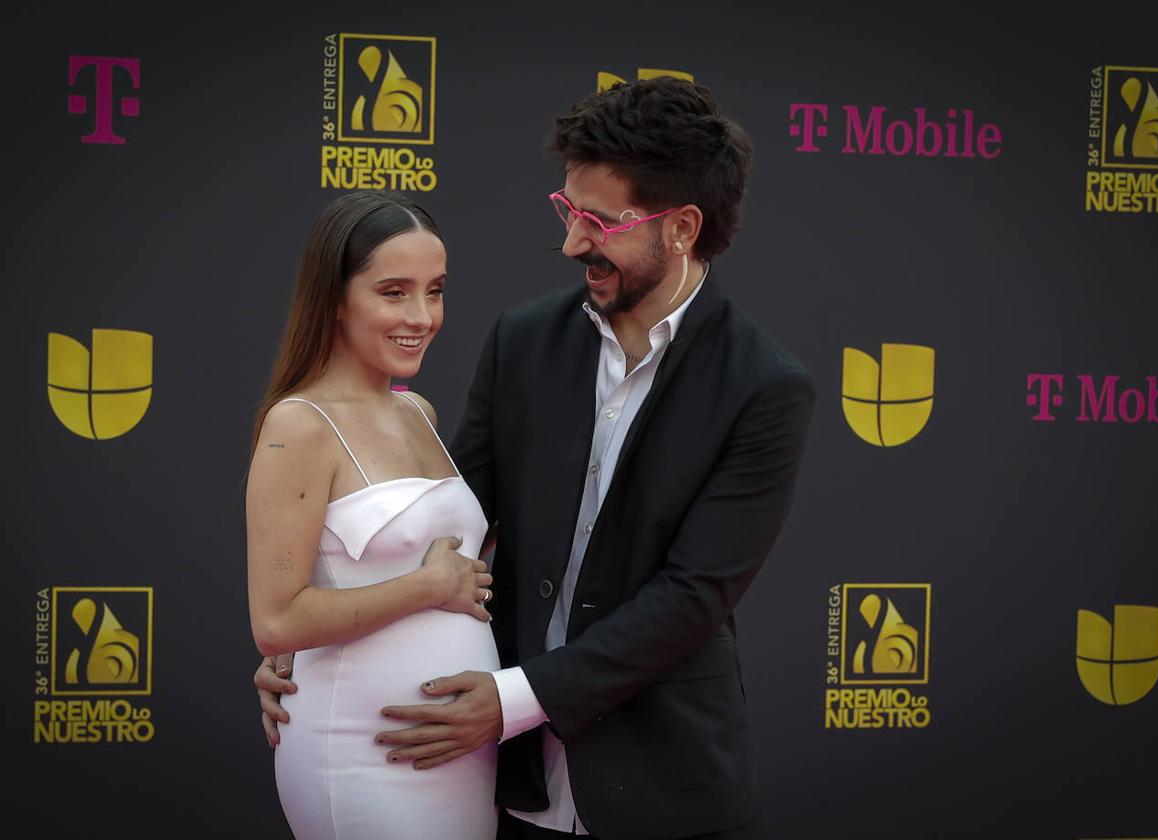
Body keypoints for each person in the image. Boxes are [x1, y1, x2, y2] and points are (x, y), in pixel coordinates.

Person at [259, 77, 815, 839]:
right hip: (499, 779)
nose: (572, 242)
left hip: (661, 783)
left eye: (597, 220)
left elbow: (692, 596)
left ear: (682, 227)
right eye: (566, 210)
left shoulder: (764, 387)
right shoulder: (521, 340)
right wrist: (306, 648)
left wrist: (512, 701)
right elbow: (445, 528)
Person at [245, 191, 500, 839]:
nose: (422, 315)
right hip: (362, 754)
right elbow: (278, 622)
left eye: (435, 290)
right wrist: (429, 586)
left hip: (463, 757)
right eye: (394, 292)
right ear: (335, 297)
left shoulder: (420, 413)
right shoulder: (298, 425)